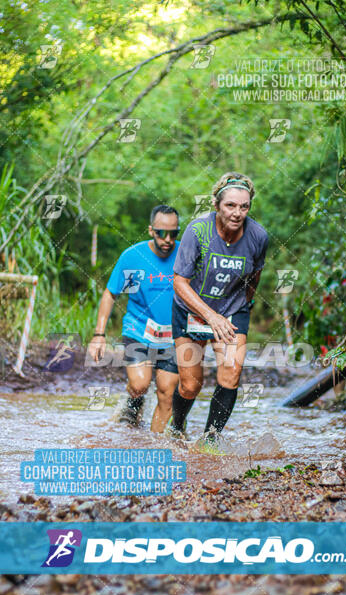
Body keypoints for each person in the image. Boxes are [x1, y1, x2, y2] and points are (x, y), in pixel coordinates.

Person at [169, 172, 269, 448]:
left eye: (244, 206)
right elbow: (179, 281)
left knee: (231, 371)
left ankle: (210, 439)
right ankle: (177, 428)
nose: (237, 213)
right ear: (216, 205)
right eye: (230, 205)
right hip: (192, 307)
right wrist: (210, 316)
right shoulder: (197, 231)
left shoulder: (258, 236)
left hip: (231, 309)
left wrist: (238, 309)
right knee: (191, 385)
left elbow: (254, 278)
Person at [88, 205, 180, 432]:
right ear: (151, 230)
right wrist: (99, 334)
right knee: (140, 384)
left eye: (173, 233)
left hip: (174, 335)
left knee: (167, 394)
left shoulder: (185, 255)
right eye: (161, 233)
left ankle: (155, 445)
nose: (167, 239)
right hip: (138, 329)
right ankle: (132, 401)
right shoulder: (133, 257)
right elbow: (111, 293)